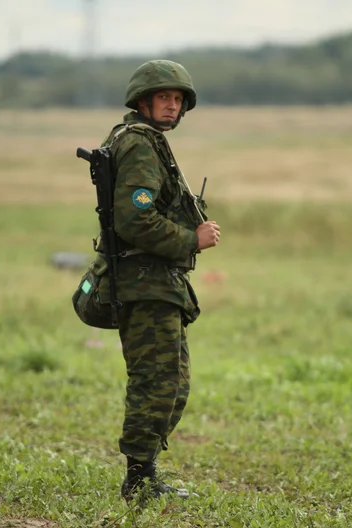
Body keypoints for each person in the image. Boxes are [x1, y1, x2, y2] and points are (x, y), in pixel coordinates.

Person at [100, 59, 221, 502]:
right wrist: (191, 238)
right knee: (157, 381)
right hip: (144, 281)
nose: (172, 106)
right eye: (164, 98)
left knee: (173, 382)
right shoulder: (138, 144)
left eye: (177, 99)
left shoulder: (143, 140)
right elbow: (135, 219)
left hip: (155, 280)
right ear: (143, 101)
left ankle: (145, 471)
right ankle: (137, 480)